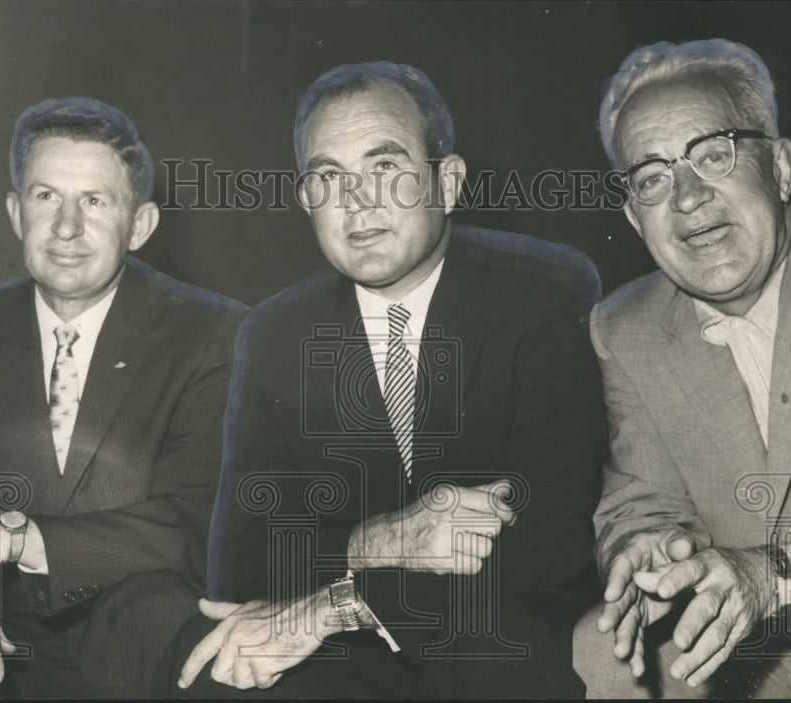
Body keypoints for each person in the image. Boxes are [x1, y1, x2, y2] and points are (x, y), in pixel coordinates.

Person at [150, 61, 605, 699]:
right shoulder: (277, 330)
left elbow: (554, 534)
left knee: (489, 649)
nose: (356, 201)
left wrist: (338, 604)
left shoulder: (545, 288)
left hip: (492, 628)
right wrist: (385, 539)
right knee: (214, 668)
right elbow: (241, 559)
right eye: (328, 176)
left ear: (447, 183)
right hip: (343, 655)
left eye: (385, 167)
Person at [0, 97, 247, 699]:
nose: (67, 228)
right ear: (15, 212)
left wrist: (11, 536)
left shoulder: (217, 333)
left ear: (142, 224)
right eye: (46, 196)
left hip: (138, 642)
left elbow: (196, 524)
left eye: (95, 201)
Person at [573, 38, 791, 698]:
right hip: (771, 655)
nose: (686, 197)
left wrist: (773, 576)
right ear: (633, 216)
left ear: (780, 166)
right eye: (653, 177)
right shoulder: (626, 329)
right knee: (599, 647)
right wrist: (651, 549)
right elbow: (642, 493)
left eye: (713, 155)